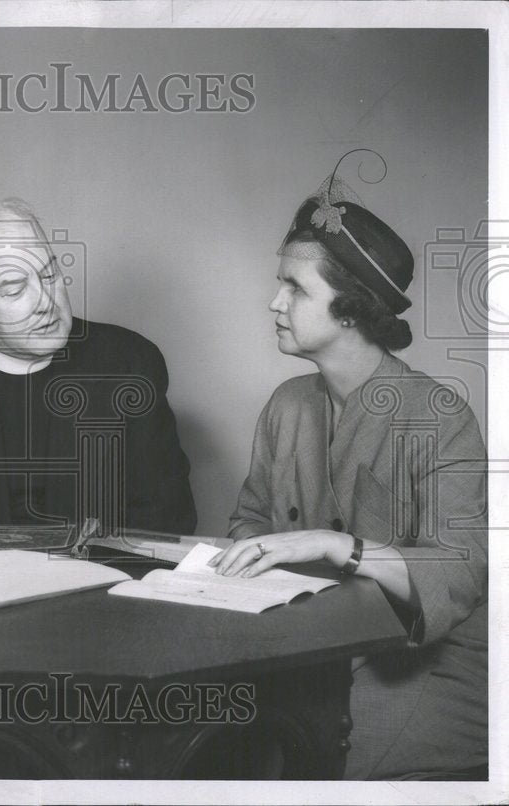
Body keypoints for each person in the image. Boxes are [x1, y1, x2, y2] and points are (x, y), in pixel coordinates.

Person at [214, 153, 487, 780]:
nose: (274, 303)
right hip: (312, 645)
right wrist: (249, 555)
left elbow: (461, 569)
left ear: (352, 310)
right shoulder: (287, 405)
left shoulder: (437, 414)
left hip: (424, 665)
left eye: (295, 288)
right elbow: (249, 519)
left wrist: (338, 545)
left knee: (328, 769)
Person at [0, 198, 195, 536]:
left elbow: (165, 520)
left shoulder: (130, 361)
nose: (47, 303)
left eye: (50, 276)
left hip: (96, 580)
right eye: (15, 290)